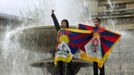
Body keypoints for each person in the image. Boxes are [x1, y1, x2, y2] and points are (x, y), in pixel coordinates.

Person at [51, 10, 74, 75]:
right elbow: (56, 23)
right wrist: (53, 15)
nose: (62, 24)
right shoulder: (59, 30)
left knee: (70, 63)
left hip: (68, 50)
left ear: (67, 24)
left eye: (64, 23)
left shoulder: (70, 31)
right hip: (60, 50)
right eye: (62, 23)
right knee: (60, 65)